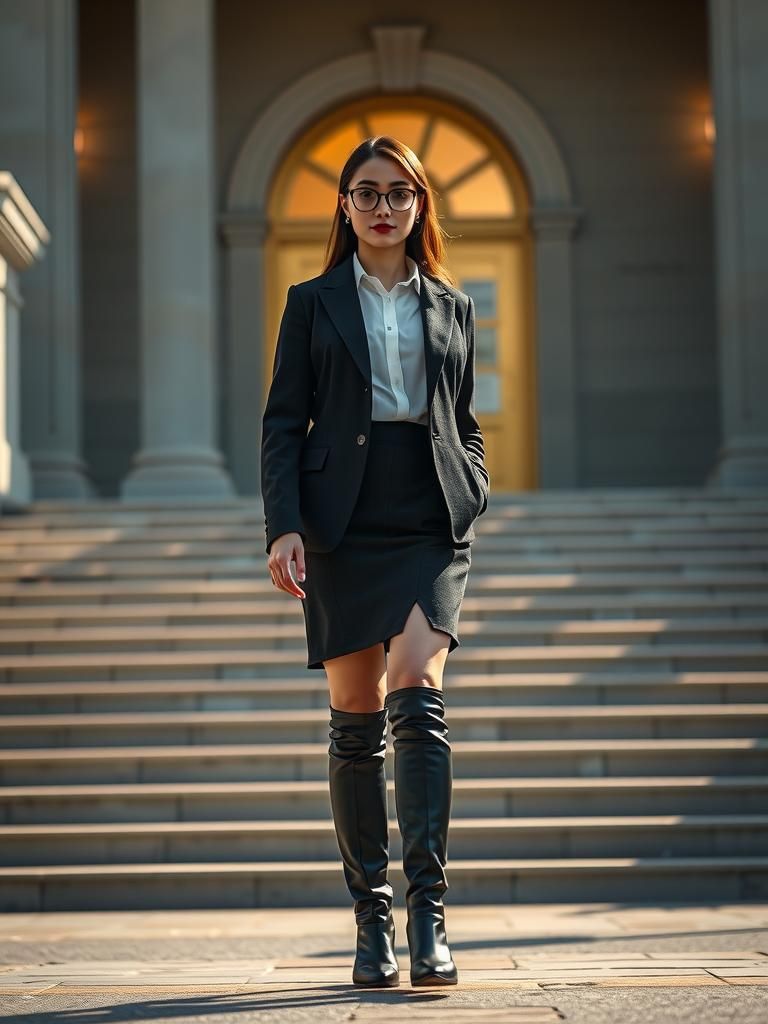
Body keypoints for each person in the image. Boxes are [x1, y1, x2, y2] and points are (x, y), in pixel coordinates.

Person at [260, 135, 490, 988]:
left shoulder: (454, 306)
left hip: (426, 514)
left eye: (400, 192)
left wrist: (472, 492)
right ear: (345, 206)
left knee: (416, 684)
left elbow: (462, 419)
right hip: (340, 521)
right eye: (367, 192)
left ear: (420, 204)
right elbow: (283, 423)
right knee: (354, 715)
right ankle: (372, 922)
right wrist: (283, 525)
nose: (384, 205)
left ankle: (429, 912)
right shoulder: (311, 301)